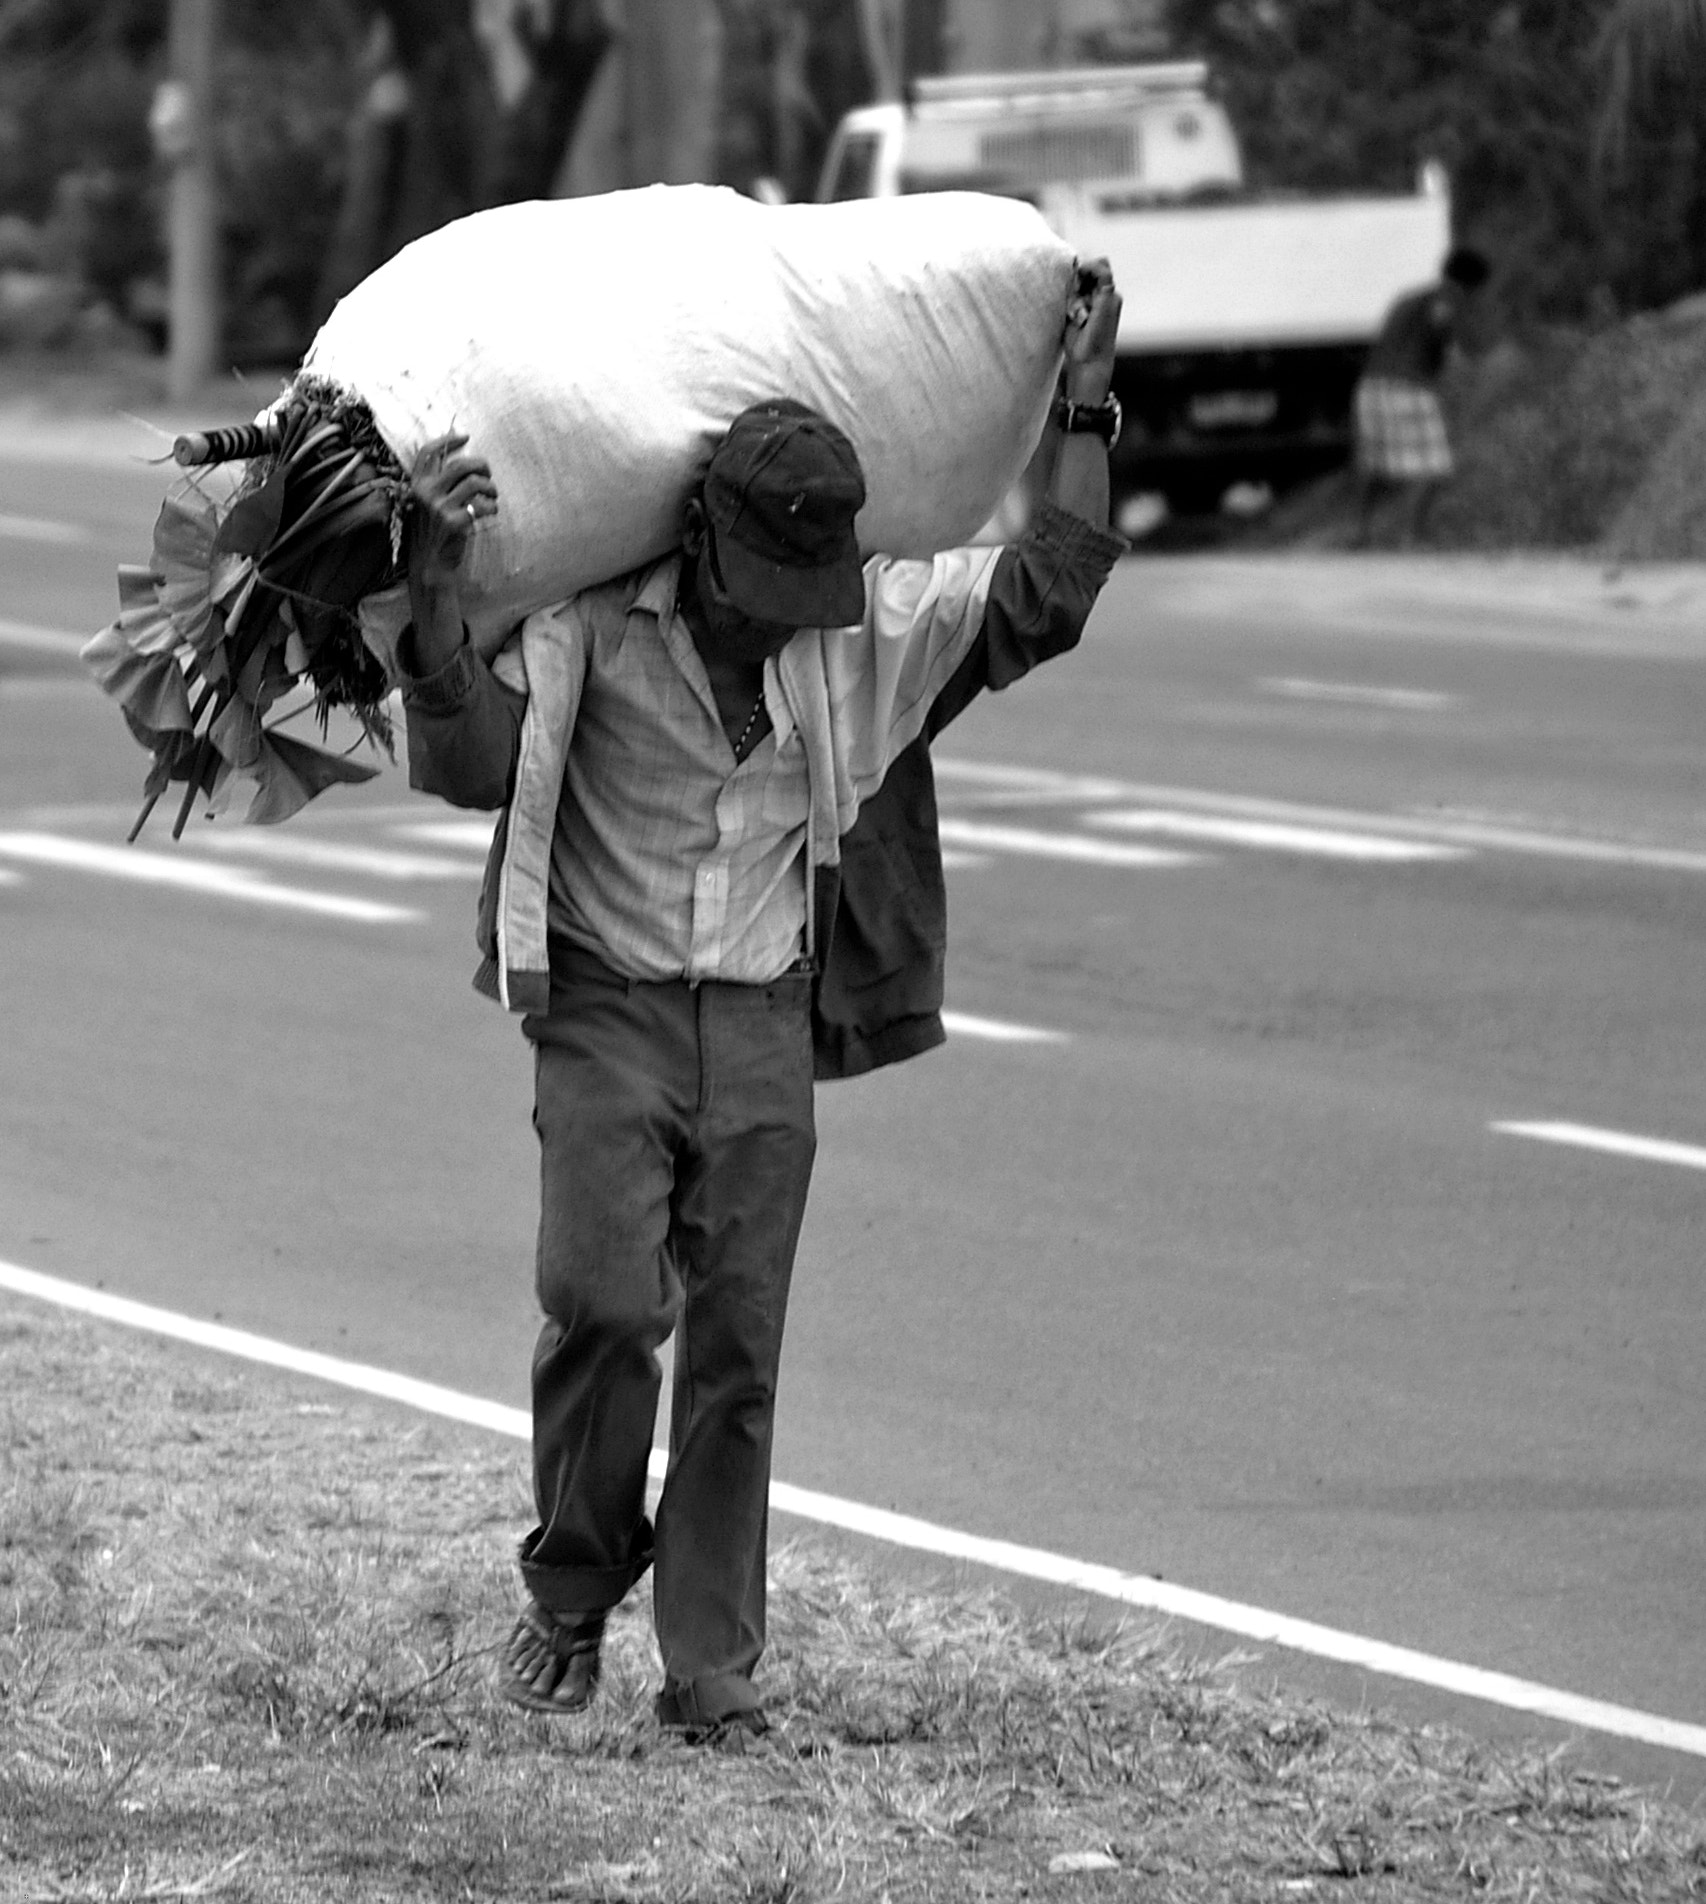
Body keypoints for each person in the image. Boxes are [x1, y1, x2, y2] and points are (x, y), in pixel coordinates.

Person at [396, 259, 1126, 1742]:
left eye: (811, 594)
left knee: (736, 1347)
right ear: (700, 543)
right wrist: (429, 606)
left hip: (762, 1019)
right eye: (758, 591)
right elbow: (472, 765)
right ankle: (573, 1577)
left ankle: (710, 1667)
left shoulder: (862, 624)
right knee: (601, 1306)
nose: (780, 623)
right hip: (604, 1003)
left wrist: (1087, 396)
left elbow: (1051, 581)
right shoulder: (589, 621)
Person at [1352, 244, 1490, 546]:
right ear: (1474, 284)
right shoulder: (1449, 297)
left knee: (1375, 464)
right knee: (1434, 467)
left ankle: (1361, 532)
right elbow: (1440, 321)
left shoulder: (1408, 298)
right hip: (1409, 386)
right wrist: (1454, 354)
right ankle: (1411, 537)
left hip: (1371, 386)